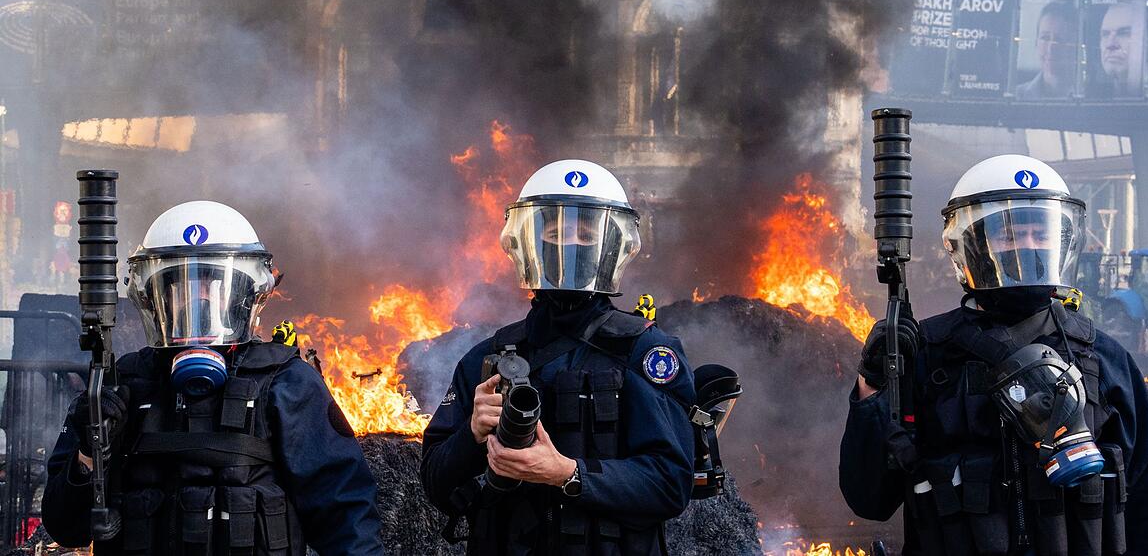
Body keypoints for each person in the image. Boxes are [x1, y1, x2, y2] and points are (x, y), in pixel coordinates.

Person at [840, 155, 1148, 556]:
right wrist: (872, 386)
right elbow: (870, 499)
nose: (1028, 246)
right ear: (971, 245)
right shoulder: (927, 354)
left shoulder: (1102, 358)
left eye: (1041, 233)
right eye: (1009, 234)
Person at [42, 201, 383, 555]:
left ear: (245, 296)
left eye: (213, 283)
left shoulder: (287, 384)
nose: (198, 300)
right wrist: (88, 453)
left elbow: (347, 520)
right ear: (155, 299)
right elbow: (66, 528)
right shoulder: (120, 387)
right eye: (179, 286)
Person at [421, 159, 695, 555]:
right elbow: (434, 483)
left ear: (612, 244)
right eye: (554, 232)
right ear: (527, 241)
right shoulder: (489, 358)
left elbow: (670, 483)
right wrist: (472, 434)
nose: (570, 245)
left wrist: (568, 473)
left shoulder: (644, 352)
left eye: (586, 233)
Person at [1015, 0, 1078, 100]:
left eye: (1059, 39)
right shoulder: (1017, 97)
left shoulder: (1088, 97)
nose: (1051, 48)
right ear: (1036, 42)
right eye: (1045, 38)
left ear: (1074, 46)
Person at [1090, 1, 1145, 98]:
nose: (1110, 44)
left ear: (1146, 41)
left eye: (1124, 33)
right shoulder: (1092, 98)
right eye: (1105, 34)